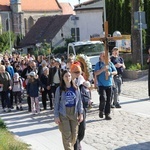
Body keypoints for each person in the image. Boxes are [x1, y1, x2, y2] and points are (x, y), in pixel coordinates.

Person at [54, 70, 83, 150]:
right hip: (63, 113)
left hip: (74, 112)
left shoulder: (76, 88)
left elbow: (79, 101)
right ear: (62, 78)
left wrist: (81, 113)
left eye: (69, 76)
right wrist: (56, 116)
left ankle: (70, 147)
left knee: (74, 135)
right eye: (66, 76)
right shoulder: (59, 89)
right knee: (67, 135)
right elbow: (56, 103)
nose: (68, 78)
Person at [94, 51, 117, 120]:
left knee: (109, 100)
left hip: (109, 84)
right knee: (103, 98)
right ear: (100, 57)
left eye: (105, 56)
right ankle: (101, 110)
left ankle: (107, 114)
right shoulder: (98, 64)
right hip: (101, 84)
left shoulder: (110, 64)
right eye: (102, 56)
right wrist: (103, 69)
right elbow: (96, 73)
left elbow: (115, 71)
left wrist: (110, 73)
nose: (104, 57)